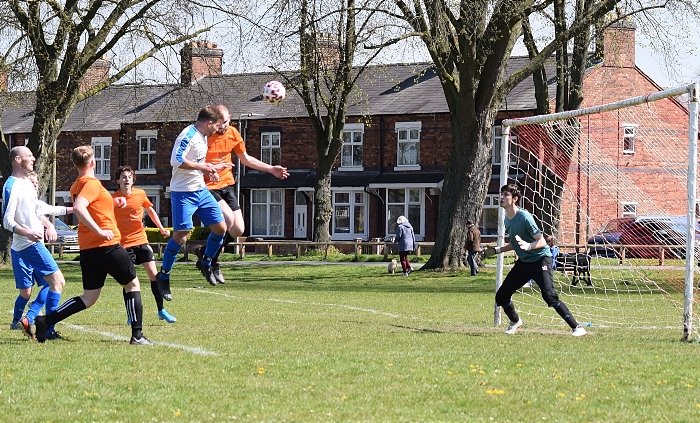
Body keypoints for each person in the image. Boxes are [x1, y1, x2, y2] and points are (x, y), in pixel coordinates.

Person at [34, 145, 152, 345]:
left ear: (75, 164)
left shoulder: (77, 184)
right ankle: (137, 336)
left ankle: (46, 320)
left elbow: (92, 206)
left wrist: (115, 203)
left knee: (89, 297)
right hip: (106, 245)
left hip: (88, 249)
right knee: (132, 284)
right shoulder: (91, 183)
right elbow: (80, 207)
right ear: (93, 163)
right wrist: (99, 230)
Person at [196, 104, 289, 284]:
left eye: (226, 122)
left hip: (226, 186)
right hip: (206, 186)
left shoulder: (232, 133)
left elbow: (245, 159)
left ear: (229, 118)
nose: (222, 126)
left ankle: (207, 256)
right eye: (220, 123)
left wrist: (271, 169)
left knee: (238, 229)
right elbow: (191, 163)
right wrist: (207, 171)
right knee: (228, 220)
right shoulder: (204, 135)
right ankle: (210, 261)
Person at [485, 183, 586, 336]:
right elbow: (515, 243)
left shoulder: (525, 217)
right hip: (525, 262)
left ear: (515, 199)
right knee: (501, 296)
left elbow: (542, 241)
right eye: (501, 194)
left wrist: (529, 246)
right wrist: (497, 250)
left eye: (506, 195)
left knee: (549, 296)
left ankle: (577, 327)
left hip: (541, 260)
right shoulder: (508, 220)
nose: (501, 197)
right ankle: (515, 321)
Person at [155, 105, 231, 298]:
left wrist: (211, 169)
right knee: (182, 236)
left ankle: (206, 262)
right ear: (209, 123)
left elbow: (197, 163)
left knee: (221, 228)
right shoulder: (187, 135)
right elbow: (176, 160)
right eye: (218, 125)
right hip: (183, 193)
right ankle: (163, 276)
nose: (218, 129)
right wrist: (203, 167)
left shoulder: (204, 136)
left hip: (201, 190)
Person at [2, 147, 70, 340]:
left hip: (31, 244)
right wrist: (28, 232)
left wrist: (74, 209)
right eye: (29, 156)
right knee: (56, 282)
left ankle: (33, 319)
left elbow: (40, 211)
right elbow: (7, 221)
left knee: (53, 283)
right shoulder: (12, 185)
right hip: (28, 245)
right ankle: (46, 328)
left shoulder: (26, 183)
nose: (33, 158)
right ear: (17, 159)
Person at [112, 166, 176, 323]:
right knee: (129, 280)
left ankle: (161, 310)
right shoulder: (113, 199)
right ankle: (130, 314)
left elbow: (151, 212)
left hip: (141, 239)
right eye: (123, 177)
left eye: (129, 177)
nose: (127, 179)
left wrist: (161, 228)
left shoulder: (140, 194)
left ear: (133, 180)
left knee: (154, 276)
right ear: (118, 181)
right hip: (124, 243)